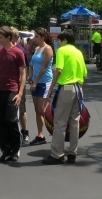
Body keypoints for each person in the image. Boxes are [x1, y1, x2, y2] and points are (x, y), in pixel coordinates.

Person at [43, 29, 88, 165]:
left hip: (67, 88)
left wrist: (50, 89)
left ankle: (57, 154)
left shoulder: (62, 51)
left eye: (59, 40)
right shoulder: (78, 52)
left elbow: (59, 69)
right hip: (78, 88)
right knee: (75, 122)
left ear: (64, 40)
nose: (57, 43)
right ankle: (72, 152)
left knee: (60, 122)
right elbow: (85, 73)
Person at [0, 26, 28, 162]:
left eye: (0, 37)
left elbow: (23, 74)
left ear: (8, 38)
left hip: (12, 90)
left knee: (11, 121)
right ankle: (5, 150)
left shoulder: (18, 52)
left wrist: (20, 93)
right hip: (0, 90)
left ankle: (15, 149)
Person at [29, 27, 55, 145]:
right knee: (37, 110)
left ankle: (55, 129)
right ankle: (40, 134)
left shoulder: (47, 48)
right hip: (35, 81)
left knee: (42, 110)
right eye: (34, 36)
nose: (34, 38)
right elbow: (31, 64)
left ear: (43, 37)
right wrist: (31, 77)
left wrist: (35, 82)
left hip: (44, 81)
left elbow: (44, 67)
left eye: (37, 36)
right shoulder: (37, 48)